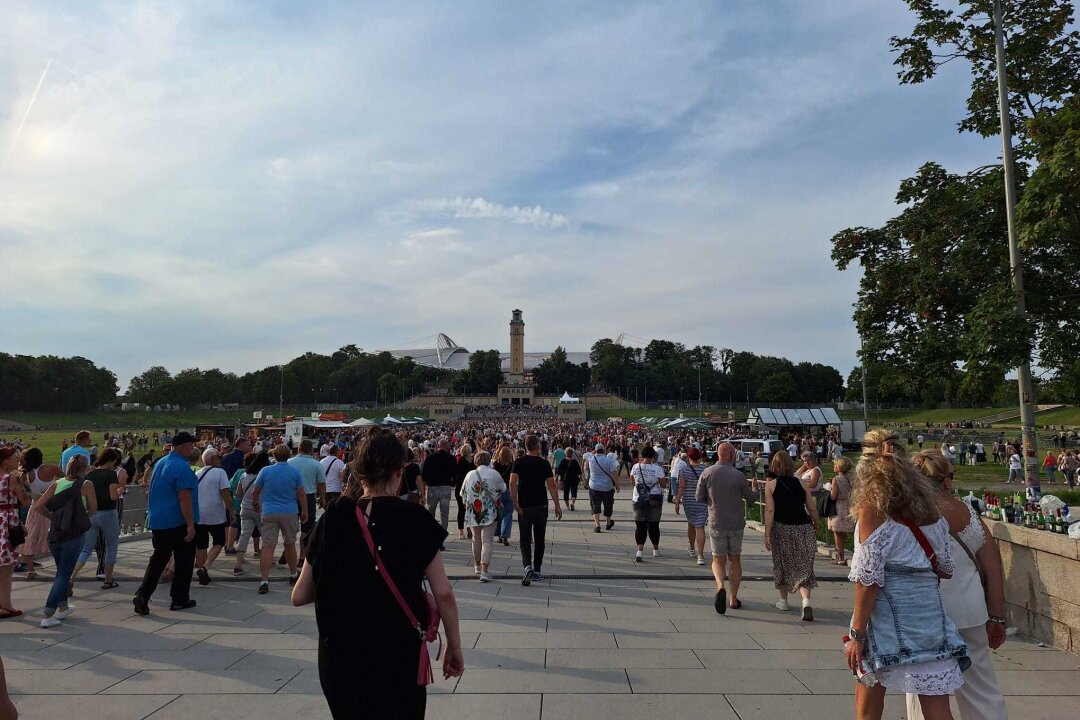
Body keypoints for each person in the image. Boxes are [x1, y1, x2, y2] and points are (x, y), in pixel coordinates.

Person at [290, 427, 464, 719]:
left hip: (341, 655)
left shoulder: (334, 516)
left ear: (359, 472)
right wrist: (454, 646)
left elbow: (300, 595)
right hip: (398, 652)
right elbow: (443, 592)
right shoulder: (415, 518)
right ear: (400, 470)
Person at [844, 431, 969, 720]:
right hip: (929, 616)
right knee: (937, 707)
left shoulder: (871, 510)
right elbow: (945, 569)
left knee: (869, 699)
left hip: (886, 616)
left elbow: (868, 580)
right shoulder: (930, 509)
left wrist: (856, 635)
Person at [907, 449, 1007, 720]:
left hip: (921, 614)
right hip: (970, 612)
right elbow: (992, 568)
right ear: (946, 481)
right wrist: (997, 616)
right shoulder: (965, 512)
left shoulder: (905, 513)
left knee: (923, 690)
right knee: (981, 688)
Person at [133, 431, 200, 616]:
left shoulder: (162, 462)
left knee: (159, 559)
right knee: (184, 560)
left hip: (158, 519)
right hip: (177, 520)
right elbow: (184, 496)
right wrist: (190, 523)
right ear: (183, 446)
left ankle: (142, 595)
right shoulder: (181, 466)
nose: (193, 448)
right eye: (191, 445)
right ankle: (179, 599)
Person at [33, 454, 97, 628]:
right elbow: (93, 507)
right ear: (85, 468)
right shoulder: (86, 484)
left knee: (62, 569)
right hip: (74, 534)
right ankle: (47, 614)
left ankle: (63, 608)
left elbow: (38, 505)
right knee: (64, 574)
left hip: (55, 533)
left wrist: (52, 517)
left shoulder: (57, 483)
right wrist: (83, 518)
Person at [696, 442, 758, 613]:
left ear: (718, 454)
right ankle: (733, 598)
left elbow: (698, 497)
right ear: (731, 455)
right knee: (735, 560)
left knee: (717, 559)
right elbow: (751, 498)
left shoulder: (707, 473)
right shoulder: (738, 475)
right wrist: (755, 488)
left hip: (717, 522)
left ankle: (720, 586)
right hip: (736, 523)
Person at [764, 449, 818, 621]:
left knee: (781, 563)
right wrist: (816, 523)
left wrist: (767, 533)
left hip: (781, 527)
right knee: (804, 566)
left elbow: (770, 510)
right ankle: (806, 601)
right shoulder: (802, 483)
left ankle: (783, 600)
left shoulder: (770, 485)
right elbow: (811, 507)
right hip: (803, 527)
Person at [252, 443, 307, 594]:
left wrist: (256, 504)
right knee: (290, 544)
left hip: (269, 510)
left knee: (268, 546)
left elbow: (255, 491)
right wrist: (305, 511)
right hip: (289, 511)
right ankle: (293, 574)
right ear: (289, 455)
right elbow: (301, 494)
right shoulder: (295, 472)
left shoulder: (265, 471)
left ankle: (264, 580)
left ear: (274, 456)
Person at [509, 434, 562, 586]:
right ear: (538, 446)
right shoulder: (544, 463)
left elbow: (512, 483)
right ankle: (537, 570)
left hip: (524, 505)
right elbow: (552, 485)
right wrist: (557, 505)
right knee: (539, 539)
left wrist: (514, 502)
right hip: (541, 505)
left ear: (525, 447)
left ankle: (527, 567)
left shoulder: (518, 462)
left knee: (525, 539)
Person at [72, 449, 123, 590]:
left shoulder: (90, 475)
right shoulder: (112, 474)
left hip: (92, 514)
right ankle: (108, 579)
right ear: (111, 461)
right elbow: (113, 496)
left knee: (86, 549)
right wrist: (120, 490)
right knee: (111, 547)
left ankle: (72, 577)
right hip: (108, 514)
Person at [15, 448, 60, 580]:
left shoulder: (27, 474)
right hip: (52, 505)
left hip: (36, 506)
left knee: (30, 537)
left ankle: (30, 569)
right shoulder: (52, 469)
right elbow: (68, 479)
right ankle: (61, 567)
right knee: (56, 537)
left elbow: (20, 490)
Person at [463, 450, 505, 582]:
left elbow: (462, 493)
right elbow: (503, 488)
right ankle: (484, 571)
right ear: (488, 460)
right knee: (487, 541)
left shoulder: (469, 474)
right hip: (489, 511)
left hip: (473, 512)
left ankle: (476, 565)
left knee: (476, 539)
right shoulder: (494, 474)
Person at [194, 449, 234, 586]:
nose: (220, 460)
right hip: (215, 514)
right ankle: (205, 567)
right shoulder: (220, 473)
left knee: (201, 544)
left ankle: (201, 568)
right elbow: (225, 493)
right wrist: (231, 511)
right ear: (213, 459)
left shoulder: (197, 473)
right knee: (219, 541)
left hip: (198, 514)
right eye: (218, 457)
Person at [0, 448, 29, 619]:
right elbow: (25, 501)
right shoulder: (11, 478)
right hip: (7, 524)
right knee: (6, 569)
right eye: (13, 457)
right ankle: (6, 606)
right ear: (5, 461)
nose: (16, 460)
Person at [288, 440, 326, 564]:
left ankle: (288, 553)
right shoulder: (316, 464)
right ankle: (302, 556)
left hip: (291, 497)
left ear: (299, 449)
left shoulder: (289, 462)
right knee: (307, 528)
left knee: (290, 527)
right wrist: (322, 497)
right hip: (308, 496)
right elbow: (321, 483)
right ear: (312, 450)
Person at [233, 451, 270, 575]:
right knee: (266, 535)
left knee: (244, 534)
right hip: (260, 508)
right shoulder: (264, 475)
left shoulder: (244, 475)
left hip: (245, 508)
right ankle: (266, 560)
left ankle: (238, 564)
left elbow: (238, 493)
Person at [630, 445, 667, 562]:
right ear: (653, 457)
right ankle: (655, 549)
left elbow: (633, 482)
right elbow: (663, 485)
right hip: (654, 499)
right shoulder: (657, 469)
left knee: (640, 525)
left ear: (642, 455)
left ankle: (639, 551)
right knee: (654, 525)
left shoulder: (635, 467)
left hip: (638, 499)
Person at [674, 447, 708, 566]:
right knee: (700, 526)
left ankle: (692, 548)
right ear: (700, 457)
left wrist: (677, 500)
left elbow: (682, 487)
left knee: (691, 524)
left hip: (689, 500)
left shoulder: (684, 469)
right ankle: (701, 556)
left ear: (688, 457)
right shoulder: (706, 469)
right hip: (702, 500)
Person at [420, 439, 456, 531]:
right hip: (445, 488)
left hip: (432, 488)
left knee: (431, 513)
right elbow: (455, 474)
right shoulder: (451, 458)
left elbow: (423, 477)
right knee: (444, 514)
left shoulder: (430, 458)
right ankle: (442, 535)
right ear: (447, 447)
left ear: (438, 446)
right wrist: (452, 483)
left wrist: (423, 494)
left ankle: (432, 534)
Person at [584, 443, 620, 533]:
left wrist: (593, 453)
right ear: (604, 450)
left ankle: (597, 525)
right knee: (608, 505)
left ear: (595, 450)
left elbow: (585, 467)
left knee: (595, 505)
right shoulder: (609, 460)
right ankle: (608, 523)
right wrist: (617, 484)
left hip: (594, 486)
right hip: (607, 486)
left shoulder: (591, 459)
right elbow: (614, 473)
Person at [828, 457, 856, 566]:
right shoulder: (852, 478)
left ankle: (840, 557)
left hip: (839, 507)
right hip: (849, 506)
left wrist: (828, 489)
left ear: (839, 466)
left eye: (835, 464)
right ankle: (843, 555)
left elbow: (833, 496)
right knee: (844, 533)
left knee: (837, 532)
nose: (834, 466)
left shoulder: (837, 479)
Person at [492, 445, 515, 545]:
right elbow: (515, 460)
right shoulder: (512, 465)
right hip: (508, 491)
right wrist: (513, 452)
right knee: (508, 514)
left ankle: (498, 535)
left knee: (498, 514)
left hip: (498, 492)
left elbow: (495, 458)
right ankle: (505, 535)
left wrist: (499, 449)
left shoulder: (496, 464)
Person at [454, 444, 476, 540]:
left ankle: (461, 531)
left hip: (460, 487)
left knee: (461, 510)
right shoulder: (472, 462)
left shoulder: (459, 461)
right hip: (471, 487)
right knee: (471, 509)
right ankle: (470, 527)